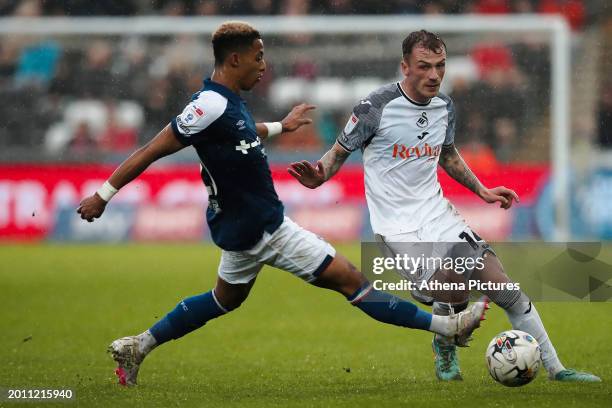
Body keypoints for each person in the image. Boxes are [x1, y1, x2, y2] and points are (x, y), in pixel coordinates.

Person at [76, 22, 487, 387]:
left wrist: (280, 126)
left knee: (224, 299)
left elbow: (236, 131)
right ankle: (447, 326)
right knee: (354, 283)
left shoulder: (227, 101)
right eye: (257, 58)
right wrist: (103, 195)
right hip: (265, 228)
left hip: (239, 228)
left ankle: (139, 345)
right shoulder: (207, 105)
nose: (263, 65)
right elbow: (151, 149)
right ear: (234, 60)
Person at [288, 30, 600, 383]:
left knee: (505, 289)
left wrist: (481, 190)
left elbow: (447, 155)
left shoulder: (444, 106)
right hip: (397, 227)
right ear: (405, 66)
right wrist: (319, 176)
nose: (434, 75)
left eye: (440, 66)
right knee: (452, 289)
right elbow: (338, 153)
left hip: (439, 216)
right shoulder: (375, 107)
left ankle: (557, 369)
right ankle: (445, 342)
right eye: (424, 66)